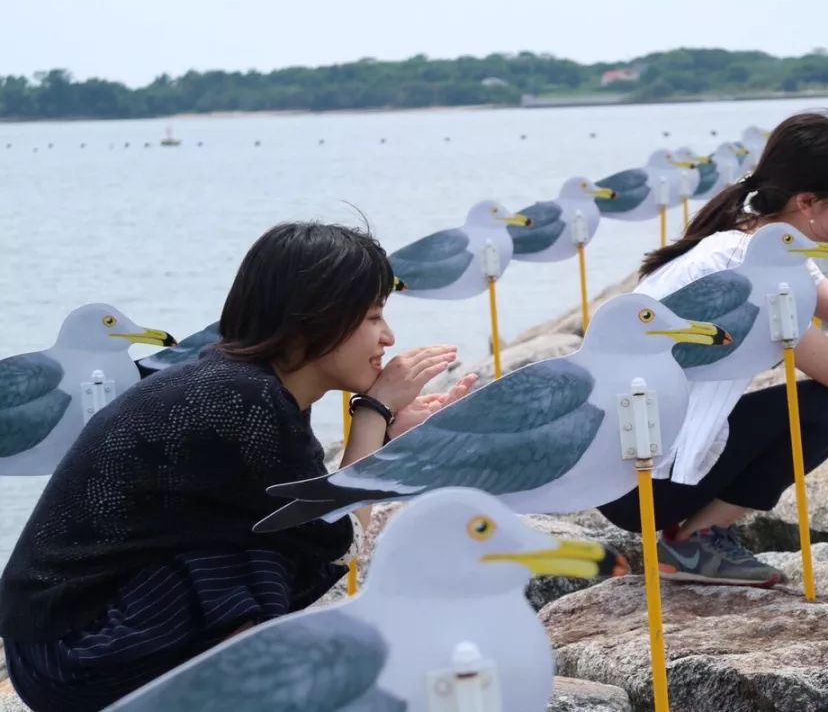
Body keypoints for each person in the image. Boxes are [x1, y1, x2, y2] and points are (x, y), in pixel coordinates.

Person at [0, 222, 476, 711]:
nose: (389, 337)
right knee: (256, 562)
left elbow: (322, 521)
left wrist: (388, 430)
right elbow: (341, 539)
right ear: (316, 318)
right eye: (374, 317)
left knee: (269, 543)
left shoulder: (241, 386)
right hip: (72, 656)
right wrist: (374, 412)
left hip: (60, 642)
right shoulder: (243, 402)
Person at [597, 112, 828, 586]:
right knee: (823, 411)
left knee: (823, 409)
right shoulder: (752, 269)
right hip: (642, 478)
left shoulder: (759, 243)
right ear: (807, 201)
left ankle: (690, 542)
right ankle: (691, 544)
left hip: (625, 467)